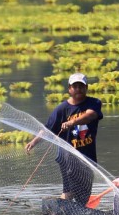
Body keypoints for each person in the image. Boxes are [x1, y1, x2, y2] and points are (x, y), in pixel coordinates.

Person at [25, 72, 103, 204]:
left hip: (88, 157)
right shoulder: (61, 109)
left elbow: (90, 116)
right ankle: (59, 212)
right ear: (69, 89)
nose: (78, 89)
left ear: (86, 88)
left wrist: (72, 122)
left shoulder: (94, 103)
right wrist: (34, 142)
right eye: (75, 86)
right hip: (68, 157)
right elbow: (47, 129)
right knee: (70, 189)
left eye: (81, 86)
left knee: (84, 194)